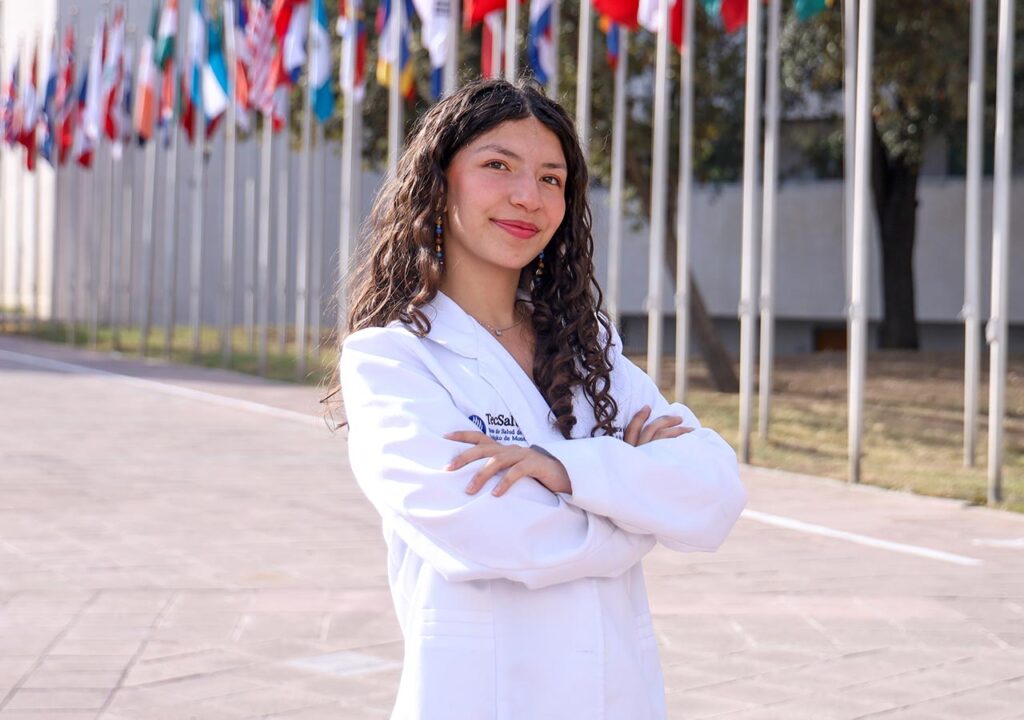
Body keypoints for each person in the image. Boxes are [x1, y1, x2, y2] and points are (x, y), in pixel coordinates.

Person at [335, 78, 746, 720]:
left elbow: (713, 492)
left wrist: (560, 470)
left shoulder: (589, 348)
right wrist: (635, 510)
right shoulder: (392, 360)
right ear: (439, 184)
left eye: (551, 178)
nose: (528, 196)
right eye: (498, 166)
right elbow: (492, 533)